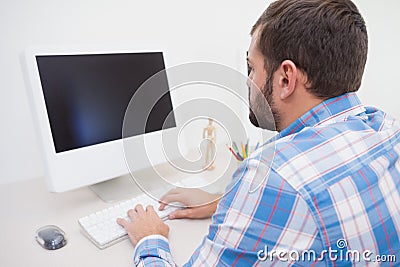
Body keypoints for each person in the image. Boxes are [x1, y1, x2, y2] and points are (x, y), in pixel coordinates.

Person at [117, 0, 400, 265]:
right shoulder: (388, 128)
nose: (248, 81)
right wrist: (226, 204)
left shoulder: (276, 175)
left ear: (285, 78)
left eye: (251, 68)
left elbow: (294, 190)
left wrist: (150, 239)